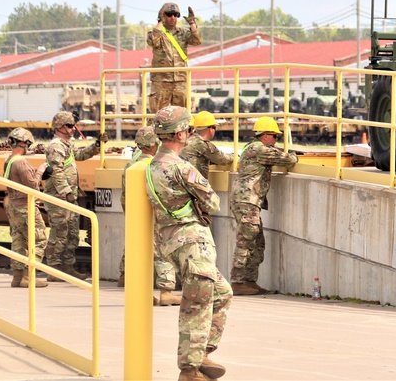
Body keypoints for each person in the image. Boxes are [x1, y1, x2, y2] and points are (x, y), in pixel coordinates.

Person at [146, 106, 231, 381]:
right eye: (189, 129)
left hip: (173, 241)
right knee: (197, 304)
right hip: (193, 243)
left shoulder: (150, 168)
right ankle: (190, 370)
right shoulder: (182, 168)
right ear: (182, 132)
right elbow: (213, 202)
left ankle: (201, 353)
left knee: (221, 293)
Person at [230, 116, 297, 295]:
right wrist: (293, 155)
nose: (276, 141)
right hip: (247, 201)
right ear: (266, 136)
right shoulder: (259, 149)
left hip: (250, 201)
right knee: (245, 241)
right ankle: (237, 282)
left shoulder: (255, 148)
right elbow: (289, 160)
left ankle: (250, 281)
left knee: (257, 242)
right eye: (275, 137)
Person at [118, 126, 180, 307]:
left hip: (136, 216)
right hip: (156, 216)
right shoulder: (156, 165)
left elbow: (125, 196)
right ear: (154, 144)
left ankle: (141, 293)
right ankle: (167, 291)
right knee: (163, 252)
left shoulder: (131, 164)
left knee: (140, 254)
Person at [44, 110, 106, 281]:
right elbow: (56, 172)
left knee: (71, 234)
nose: (73, 129)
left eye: (73, 126)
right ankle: (54, 269)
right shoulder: (56, 146)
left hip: (68, 197)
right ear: (60, 127)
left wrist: (97, 146)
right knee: (59, 233)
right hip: (59, 198)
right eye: (70, 126)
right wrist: (66, 193)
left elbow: (80, 155)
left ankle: (67, 266)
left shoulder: (66, 145)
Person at [3, 128, 49, 288]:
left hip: (14, 206)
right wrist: (40, 171)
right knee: (39, 239)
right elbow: (33, 186)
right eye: (28, 144)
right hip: (25, 206)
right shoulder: (21, 162)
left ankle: (17, 277)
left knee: (18, 241)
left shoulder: (8, 161)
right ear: (23, 143)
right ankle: (30, 276)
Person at [146, 2, 201, 113]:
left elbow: (197, 40)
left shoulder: (183, 33)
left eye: (176, 15)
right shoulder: (157, 33)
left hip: (180, 80)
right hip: (161, 81)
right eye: (169, 14)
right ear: (163, 15)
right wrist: (160, 22)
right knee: (158, 116)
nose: (173, 17)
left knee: (182, 115)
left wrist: (192, 23)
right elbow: (152, 41)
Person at [181, 111, 234, 181]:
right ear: (211, 129)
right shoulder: (203, 145)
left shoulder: (187, 140)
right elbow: (223, 159)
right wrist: (235, 156)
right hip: (192, 184)